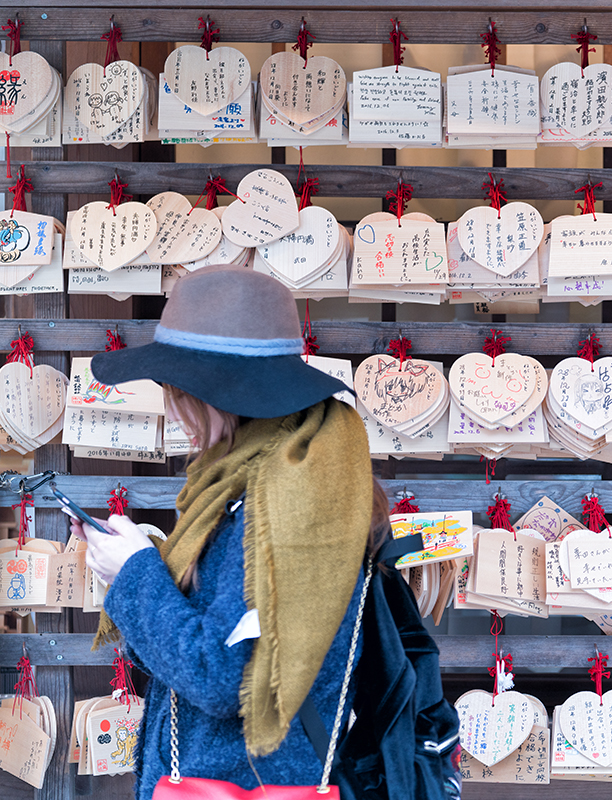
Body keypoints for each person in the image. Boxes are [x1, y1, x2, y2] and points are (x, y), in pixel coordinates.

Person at [75, 264, 387, 800]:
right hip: (252, 773)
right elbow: (202, 642)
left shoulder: (281, 511)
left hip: (242, 781)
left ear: (213, 395)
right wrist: (137, 571)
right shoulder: (281, 480)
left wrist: (134, 575)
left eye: (176, 391)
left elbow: (219, 677)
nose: (174, 410)